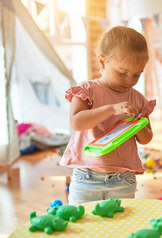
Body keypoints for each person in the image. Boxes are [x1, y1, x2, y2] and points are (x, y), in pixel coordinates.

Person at [59, 26, 156, 205]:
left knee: (119, 226)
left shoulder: (138, 99)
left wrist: (139, 125)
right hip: (86, 176)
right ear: (102, 62)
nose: (130, 80)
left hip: (123, 179)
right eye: (122, 73)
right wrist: (111, 109)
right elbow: (77, 122)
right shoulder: (87, 90)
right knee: (84, 226)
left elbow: (146, 138)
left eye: (137, 75)